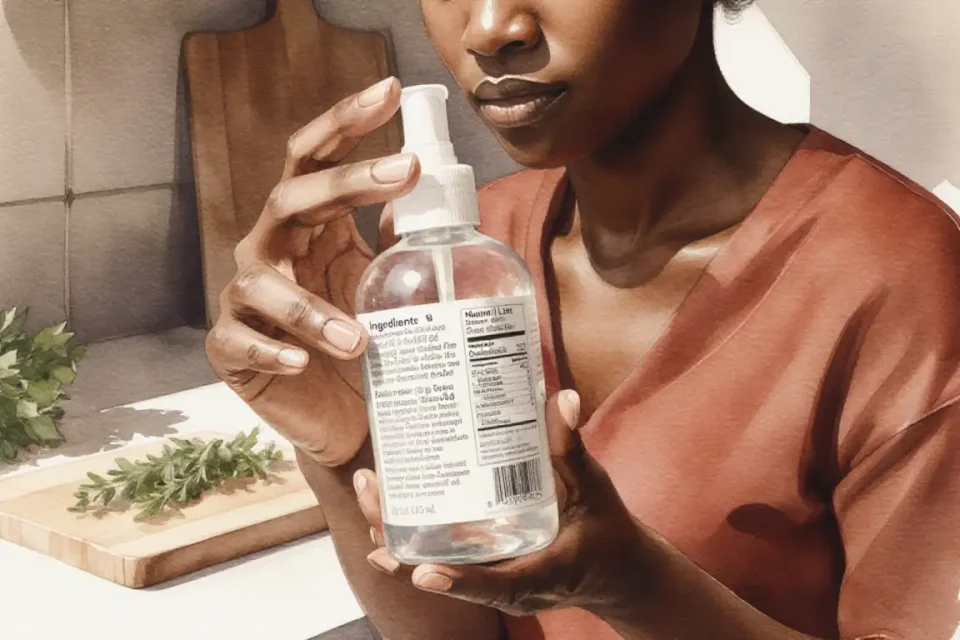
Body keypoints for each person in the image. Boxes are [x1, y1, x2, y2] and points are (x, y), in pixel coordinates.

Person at [204, 0, 960, 638]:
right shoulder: (463, 264)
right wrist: (346, 451)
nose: (491, 27)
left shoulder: (892, 272)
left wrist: (634, 585)